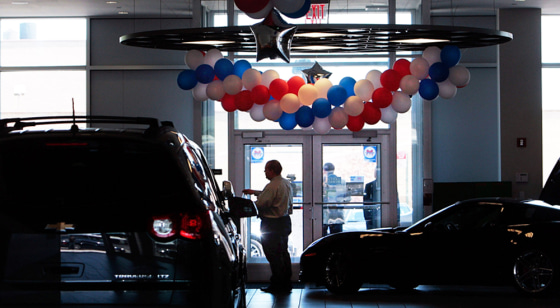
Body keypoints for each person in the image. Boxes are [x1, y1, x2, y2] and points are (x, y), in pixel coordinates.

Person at [242, 160, 293, 294]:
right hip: (285, 221)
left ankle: (277, 285)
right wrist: (255, 192)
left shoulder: (272, 185)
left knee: (273, 255)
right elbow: (273, 195)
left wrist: (249, 204)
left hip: (272, 224)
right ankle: (286, 283)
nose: (265, 172)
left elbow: (263, 203)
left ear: (271, 170)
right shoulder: (285, 183)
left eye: (266, 170)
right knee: (283, 253)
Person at [322, 163, 346, 235]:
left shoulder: (320, 181)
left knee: (321, 239)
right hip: (338, 215)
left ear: (324, 170)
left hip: (323, 215)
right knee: (336, 239)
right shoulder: (342, 181)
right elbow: (347, 198)